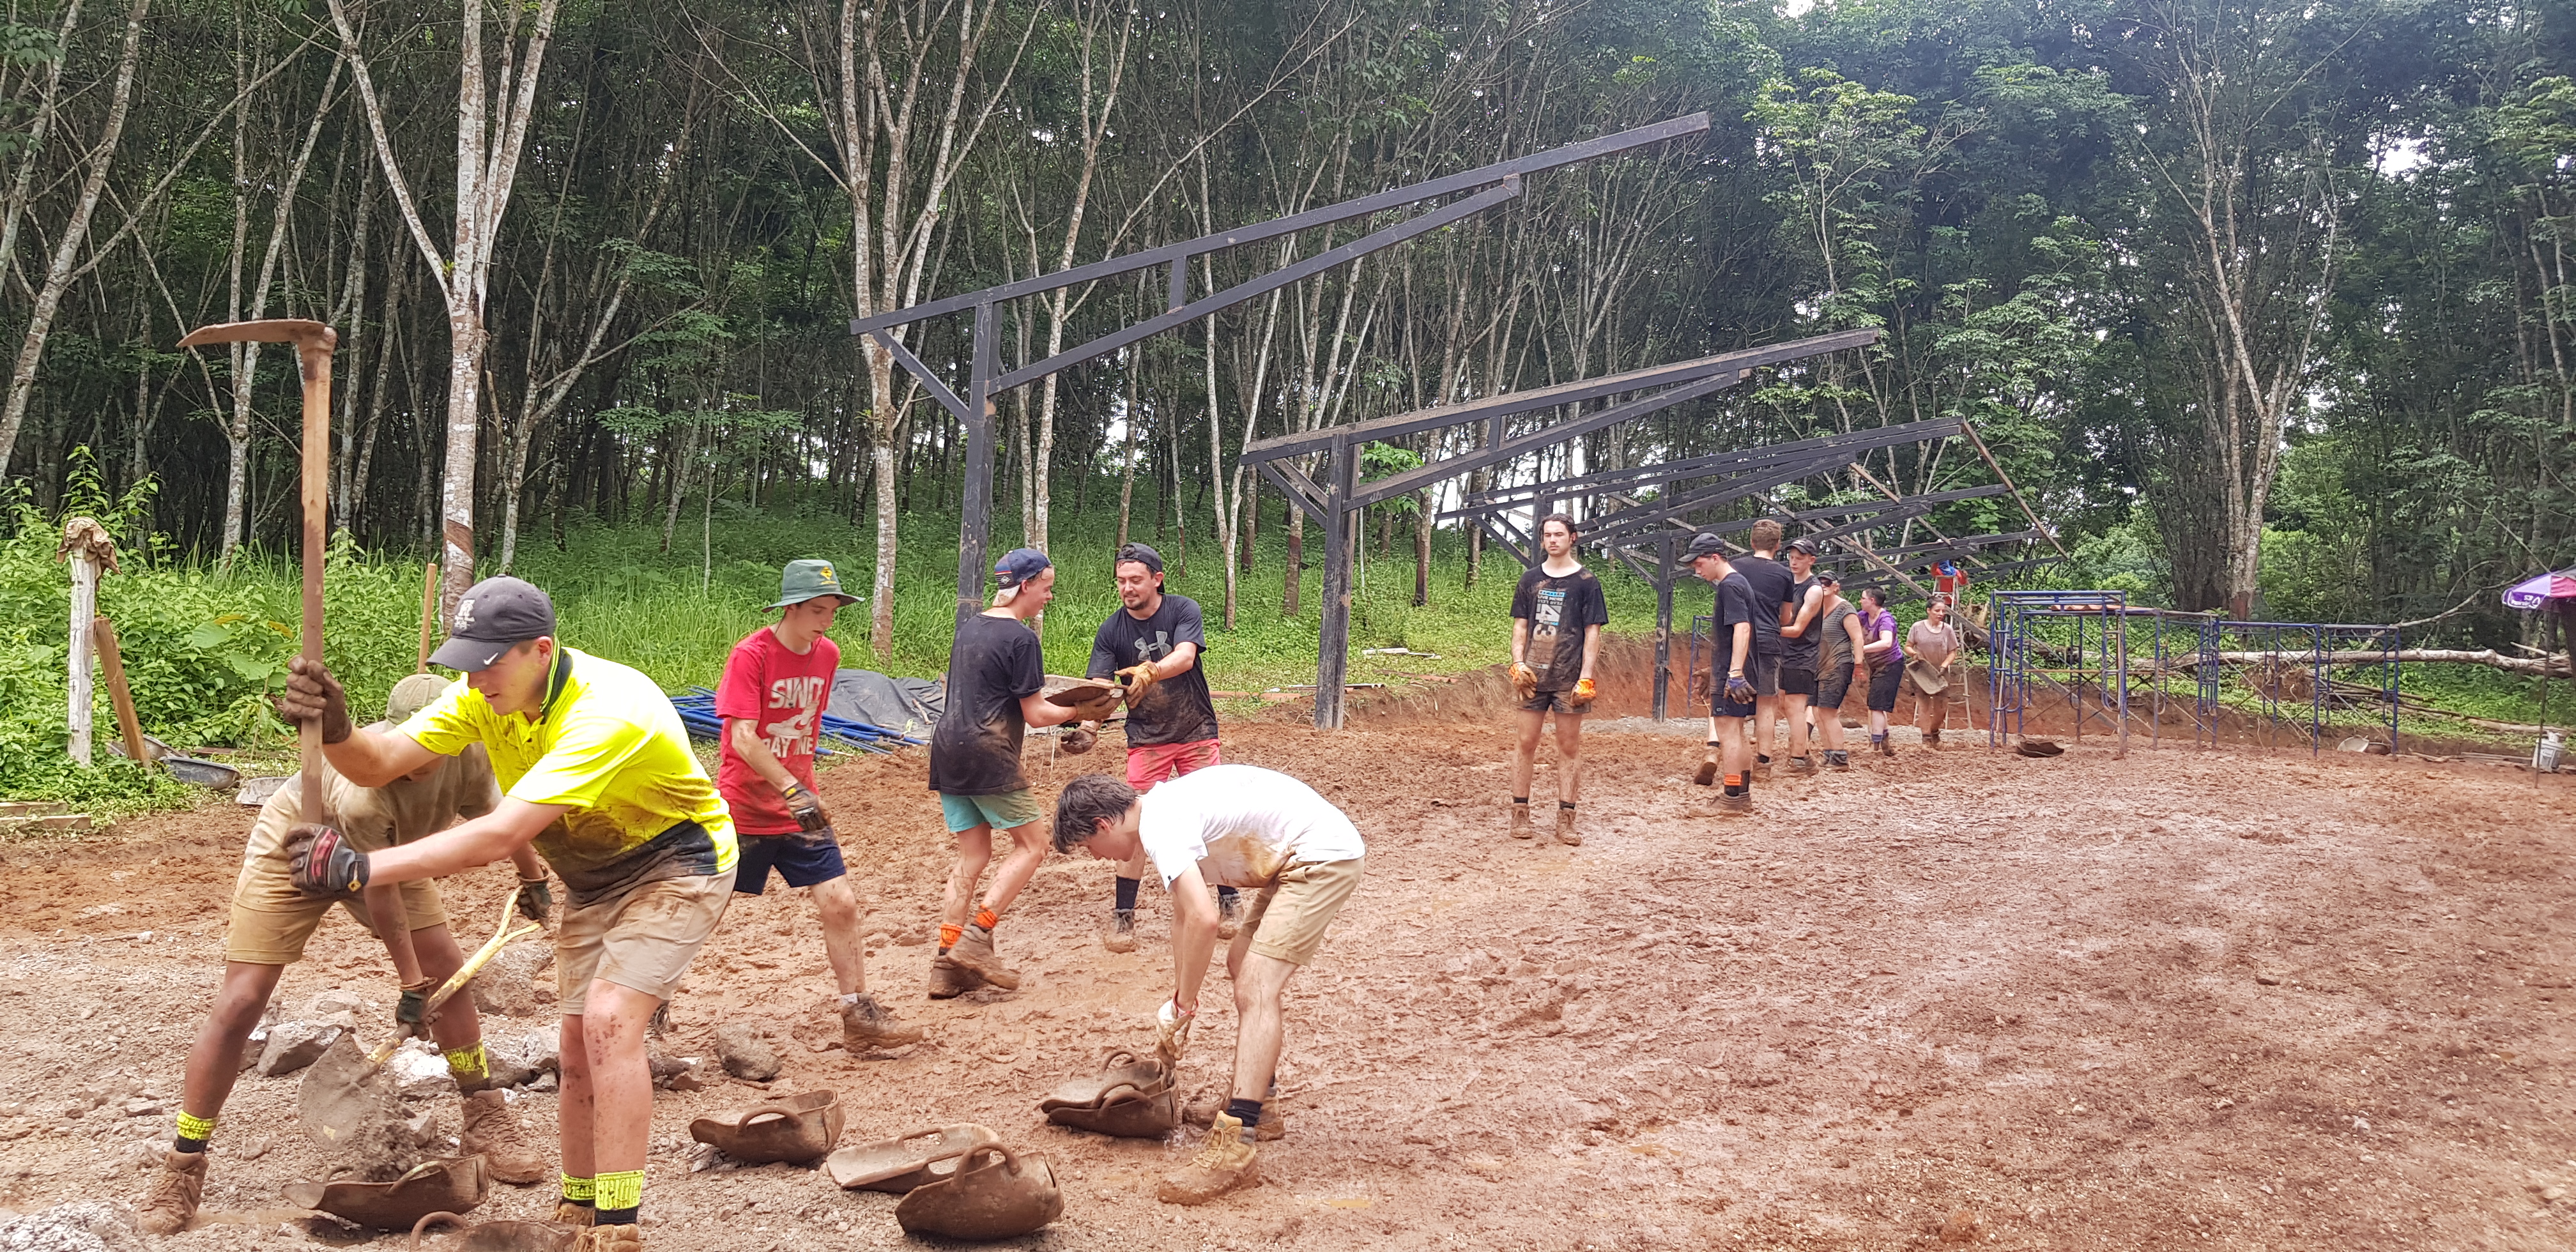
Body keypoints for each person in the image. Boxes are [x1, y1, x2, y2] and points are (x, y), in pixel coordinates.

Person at [272, 576, 739, 1249]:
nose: (475, 677)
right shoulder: (482, 696)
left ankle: (618, 1230)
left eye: (489, 661)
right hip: (593, 877)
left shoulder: (607, 710)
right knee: (575, 1042)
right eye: (466, 661)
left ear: (540, 651)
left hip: (679, 862)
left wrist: (362, 868)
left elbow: (500, 834)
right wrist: (340, 730)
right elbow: (379, 764)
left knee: (610, 1020)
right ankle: (578, 1208)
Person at [138, 675, 553, 1235]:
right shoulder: (364, 789)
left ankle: (484, 1115)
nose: (416, 757)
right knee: (241, 1002)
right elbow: (379, 896)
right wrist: (409, 985)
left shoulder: (470, 755)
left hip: (386, 859)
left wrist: (533, 879)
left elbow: (497, 822)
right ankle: (184, 1164)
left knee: (448, 972)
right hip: (296, 849)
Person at [1049, 763, 1366, 1205]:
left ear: (1103, 824)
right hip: (1296, 856)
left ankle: (1237, 1144)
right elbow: (1184, 917)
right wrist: (1178, 1004)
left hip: (1321, 857)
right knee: (1240, 964)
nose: (1098, 857)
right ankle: (1263, 1105)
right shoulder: (1160, 812)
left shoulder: (1161, 825)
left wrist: (1185, 1004)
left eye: (1090, 846)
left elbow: (1205, 918)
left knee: (1256, 987)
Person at [716, 560, 920, 1051]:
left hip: (801, 806)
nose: (826, 621)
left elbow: (805, 726)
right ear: (789, 608)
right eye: (816, 610)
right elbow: (743, 737)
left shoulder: (827, 654)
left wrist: (800, 789)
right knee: (704, 909)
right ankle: (651, 1006)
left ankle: (858, 1014)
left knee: (840, 902)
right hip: (744, 807)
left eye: (832, 611)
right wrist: (790, 786)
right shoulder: (751, 656)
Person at [926, 547, 1116, 996]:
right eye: (1046, 588)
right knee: (1033, 845)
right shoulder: (1021, 639)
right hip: (988, 751)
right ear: (1026, 585)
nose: (1049, 597)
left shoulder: (970, 627)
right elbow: (1035, 714)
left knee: (972, 856)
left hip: (947, 749)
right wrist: (1080, 713)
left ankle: (946, 963)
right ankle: (977, 937)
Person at [1080, 542, 1239, 952]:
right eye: (1121, 581)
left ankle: (1230, 901)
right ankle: (1123, 917)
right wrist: (1089, 726)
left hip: (1195, 730)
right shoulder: (1111, 630)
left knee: (1212, 817)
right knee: (1133, 825)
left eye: (1135, 580)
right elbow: (1101, 687)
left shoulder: (1183, 610)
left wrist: (1151, 671)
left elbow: (1185, 656)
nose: (1127, 588)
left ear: (1157, 579)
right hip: (1146, 738)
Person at [1506, 513, 1609, 846]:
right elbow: (1520, 626)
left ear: (1572, 538)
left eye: (1559, 534)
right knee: (1525, 743)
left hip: (1569, 679)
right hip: (1532, 678)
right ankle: (1520, 812)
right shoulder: (1530, 579)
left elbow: (1592, 633)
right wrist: (1518, 663)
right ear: (1542, 540)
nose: (1553, 540)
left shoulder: (1587, 582)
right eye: (1548, 535)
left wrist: (1586, 677)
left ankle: (1567, 818)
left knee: (1569, 746)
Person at [1686, 531, 1759, 814]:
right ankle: (1741, 795)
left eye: (1699, 563)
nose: (1697, 570)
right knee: (1737, 731)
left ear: (1715, 558)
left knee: (1728, 733)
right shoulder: (1739, 583)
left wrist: (1734, 673)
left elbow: (1743, 628)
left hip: (1733, 673)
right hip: (1737, 668)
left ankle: (1730, 797)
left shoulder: (1730, 586)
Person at [1731, 519, 1798, 776]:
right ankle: (1764, 762)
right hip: (1769, 639)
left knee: (1734, 699)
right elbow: (1786, 617)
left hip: (1740, 640)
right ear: (1778, 545)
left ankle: (1733, 756)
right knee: (1767, 703)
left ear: (1752, 542)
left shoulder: (1736, 567)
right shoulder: (1784, 574)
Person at [1774, 537, 1827, 774]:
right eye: (1792, 557)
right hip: (1785, 652)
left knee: (1795, 706)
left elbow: (1797, 629)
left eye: (1800, 558)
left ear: (1811, 561)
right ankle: (1802, 754)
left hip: (1802, 653)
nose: (1794, 562)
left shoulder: (1814, 589)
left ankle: (1798, 759)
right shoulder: (1788, 582)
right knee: (1786, 704)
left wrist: (1766, 631)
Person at [1808, 570, 1864, 771]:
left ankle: (1840, 757)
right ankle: (1829, 752)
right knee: (1817, 711)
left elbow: (1857, 638)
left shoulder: (1845, 608)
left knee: (1828, 711)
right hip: (1818, 666)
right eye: (1820, 582)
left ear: (1836, 586)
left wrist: (1859, 665)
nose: (1823, 585)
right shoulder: (1815, 609)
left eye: (1827, 582)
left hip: (1838, 664)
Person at [1907, 595, 1965, 749]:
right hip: (1921, 672)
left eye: (1943, 611)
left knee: (1941, 709)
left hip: (1940, 672)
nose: (1940, 614)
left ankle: (1934, 731)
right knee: (1924, 706)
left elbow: (1953, 652)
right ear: (1929, 611)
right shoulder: (1917, 627)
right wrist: (1914, 654)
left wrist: (1945, 665)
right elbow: (1908, 646)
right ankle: (1926, 738)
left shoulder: (1947, 630)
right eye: (1937, 611)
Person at [1859, 586, 1905, 756]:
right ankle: (1884, 741)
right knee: (1876, 703)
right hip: (1876, 665)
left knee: (1877, 705)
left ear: (1872, 601)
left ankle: (1875, 745)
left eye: (1863, 598)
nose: (1860, 601)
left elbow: (1886, 642)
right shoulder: (1863, 616)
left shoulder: (1885, 619)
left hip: (1890, 665)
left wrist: (1861, 649)